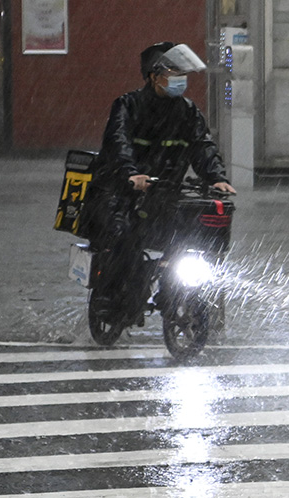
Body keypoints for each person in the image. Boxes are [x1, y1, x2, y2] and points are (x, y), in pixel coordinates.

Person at [82, 42, 236, 321]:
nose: (181, 80)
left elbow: (203, 145)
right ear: (154, 77)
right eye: (173, 73)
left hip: (165, 195)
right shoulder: (127, 106)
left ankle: (171, 290)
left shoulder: (187, 112)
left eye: (183, 74)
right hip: (121, 194)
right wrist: (130, 175)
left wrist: (216, 178)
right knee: (124, 235)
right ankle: (111, 296)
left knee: (188, 235)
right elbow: (119, 143)